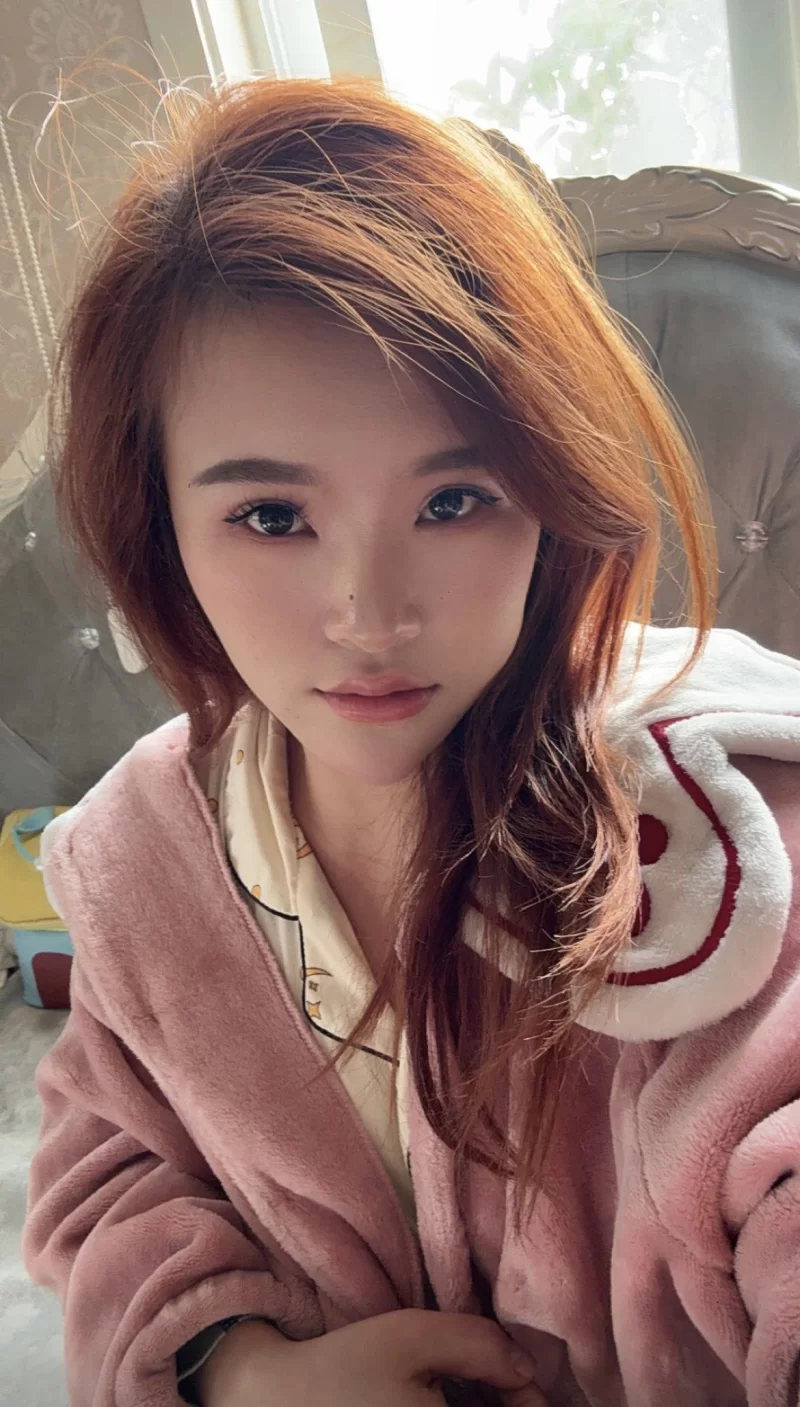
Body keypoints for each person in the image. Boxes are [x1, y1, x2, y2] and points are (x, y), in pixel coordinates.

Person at [21, 74, 800, 1407]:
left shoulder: (714, 814)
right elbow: (110, 1163)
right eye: (272, 517)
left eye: (454, 500)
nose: (370, 616)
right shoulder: (142, 859)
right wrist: (246, 1369)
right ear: (162, 525)